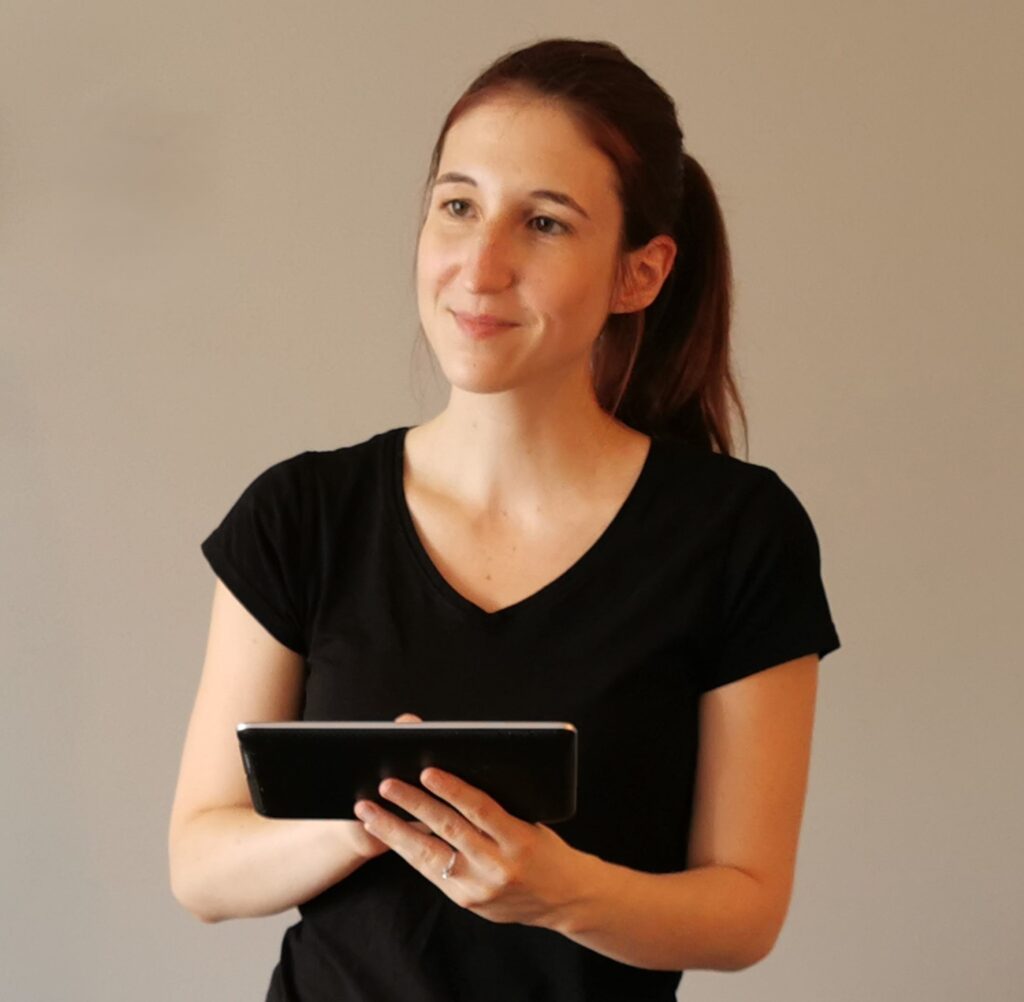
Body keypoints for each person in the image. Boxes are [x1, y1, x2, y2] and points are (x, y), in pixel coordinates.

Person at [168, 36, 841, 1002]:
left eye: (546, 223)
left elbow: (744, 912)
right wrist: (373, 818)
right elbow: (199, 865)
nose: (480, 268)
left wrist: (560, 893)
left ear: (640, 274)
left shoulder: (738, 536)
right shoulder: (302, 515)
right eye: (458, 206)